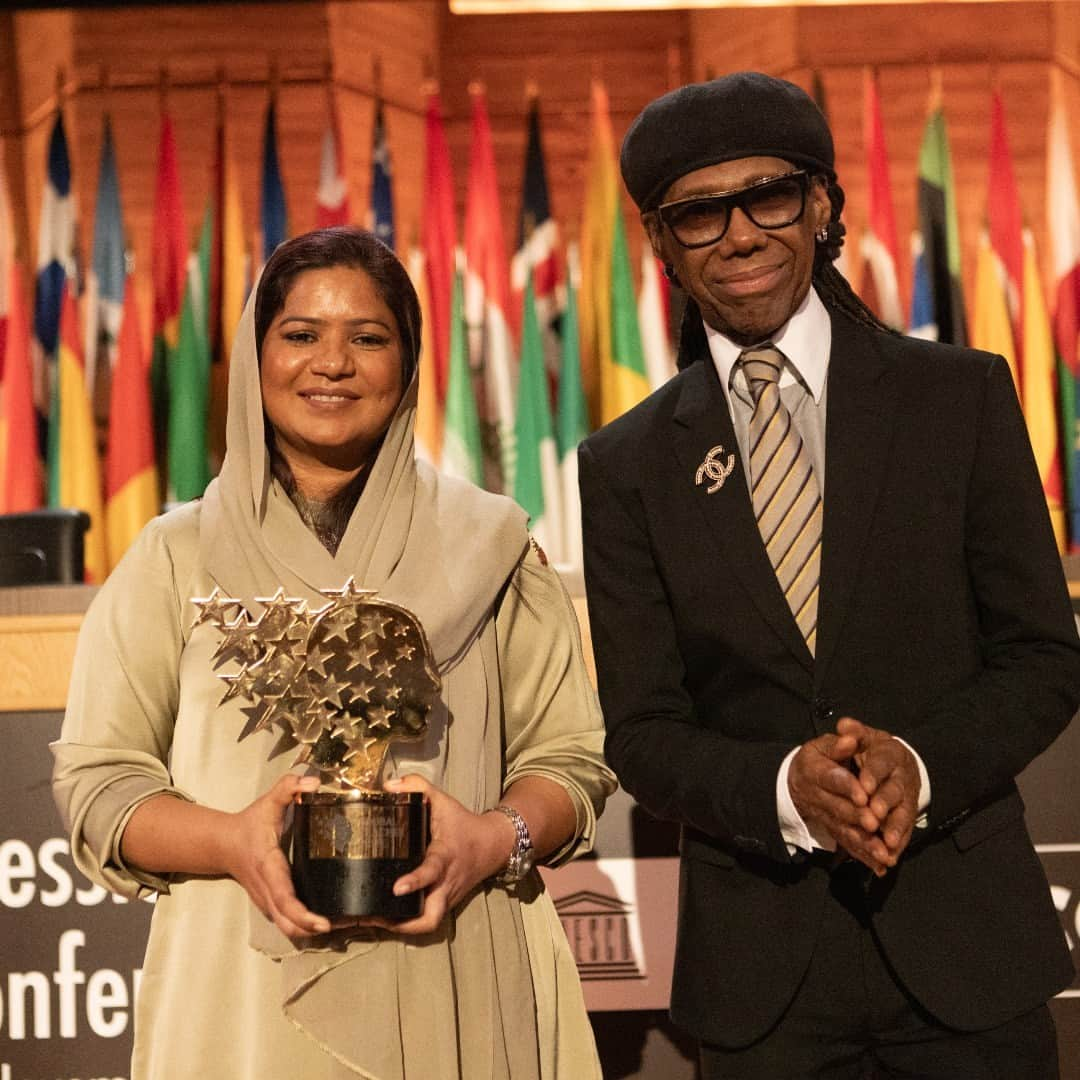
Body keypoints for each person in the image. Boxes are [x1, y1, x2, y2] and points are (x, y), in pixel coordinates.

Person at [579, 71, 1080, 1079]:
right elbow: (641, 731)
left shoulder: (963, 397)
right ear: (662, 243)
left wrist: (921, 764)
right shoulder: (624, 462)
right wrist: (782, 788)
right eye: (698, 214)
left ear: (819, 204)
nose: (740, 234)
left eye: (767, 195)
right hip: (762, 981)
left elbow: (1041, 658)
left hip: (967, 954)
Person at [54, 226, 615, 1080]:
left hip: (455, 967)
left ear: (410, 362)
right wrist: (234, 841)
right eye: (301, 335)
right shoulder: (174, 557)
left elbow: (569, 761)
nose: (333, 364)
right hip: (242, 999)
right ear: (253, 355)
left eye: (368, 337)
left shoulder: (493, 546)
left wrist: (491, 839)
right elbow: (99, 783)